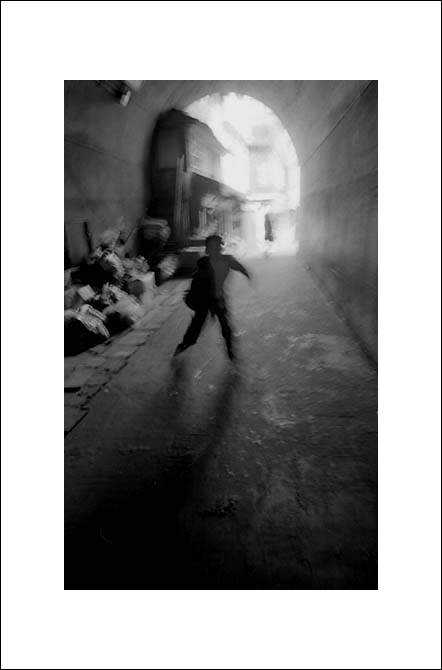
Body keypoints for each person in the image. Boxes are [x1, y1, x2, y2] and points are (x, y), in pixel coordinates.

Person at [174, 234, 251, 360]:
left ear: (219, 248)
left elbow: (238, 267)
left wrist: (246, 274)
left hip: (217, 299)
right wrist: (192, 297)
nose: (214, 250)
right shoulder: (204, 264)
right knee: (198, 326)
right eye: (211, 247)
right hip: (204, 300)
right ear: (208, 250)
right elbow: (196, 285)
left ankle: (230, 350)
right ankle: (184, 345)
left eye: (216, 247)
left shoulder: (226, 260)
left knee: (223, 325)